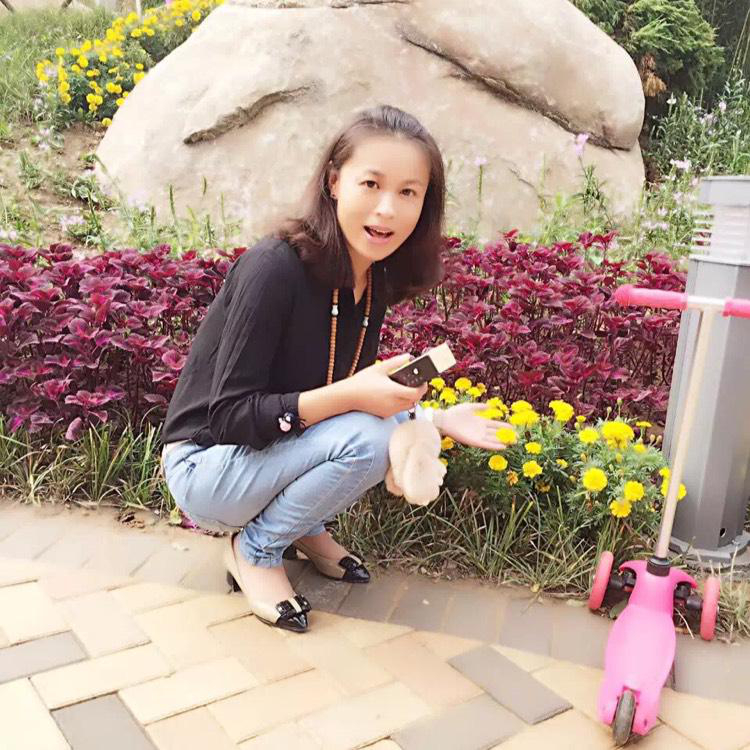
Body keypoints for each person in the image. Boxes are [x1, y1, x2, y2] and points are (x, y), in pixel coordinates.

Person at [160, 104, 510, 633]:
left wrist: (434, 420)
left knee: (374, 427)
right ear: (334, 182)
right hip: (206, 467)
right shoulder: (273, 268)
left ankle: (303, 528)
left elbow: (335, 398)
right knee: (369, 440)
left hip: (264, 455)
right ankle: (256, 550)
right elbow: (231, 416)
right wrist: (354, 396)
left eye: (408, 192)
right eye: (371, 184)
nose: (387, 210)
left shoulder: (372, 278)